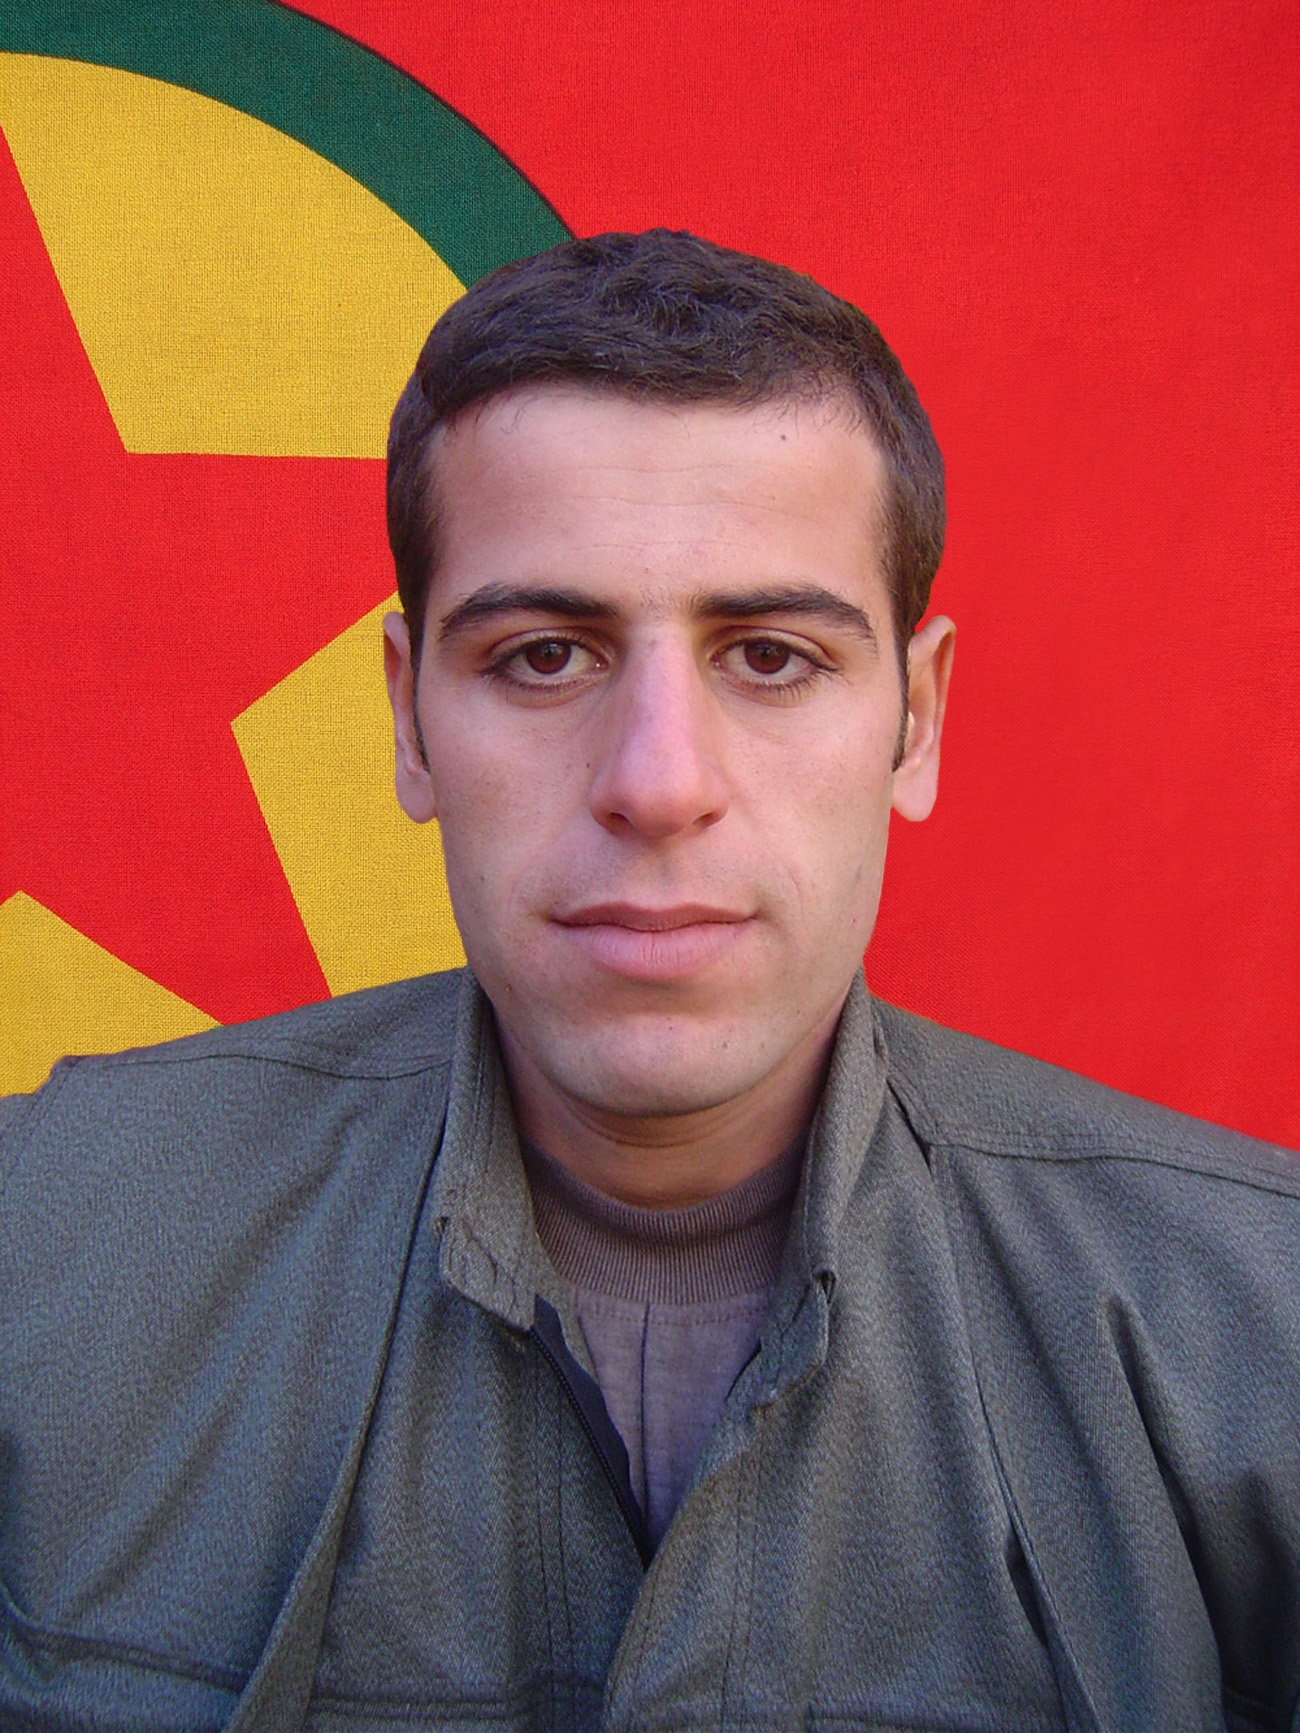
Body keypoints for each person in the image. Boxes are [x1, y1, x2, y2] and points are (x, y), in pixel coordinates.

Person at [1, 230, 1297, 1733]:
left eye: (773, 657)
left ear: (918, 718)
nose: (660, 783)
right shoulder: (44, 1242)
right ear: (409, 722)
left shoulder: (1256, 1330)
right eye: (545, 656)